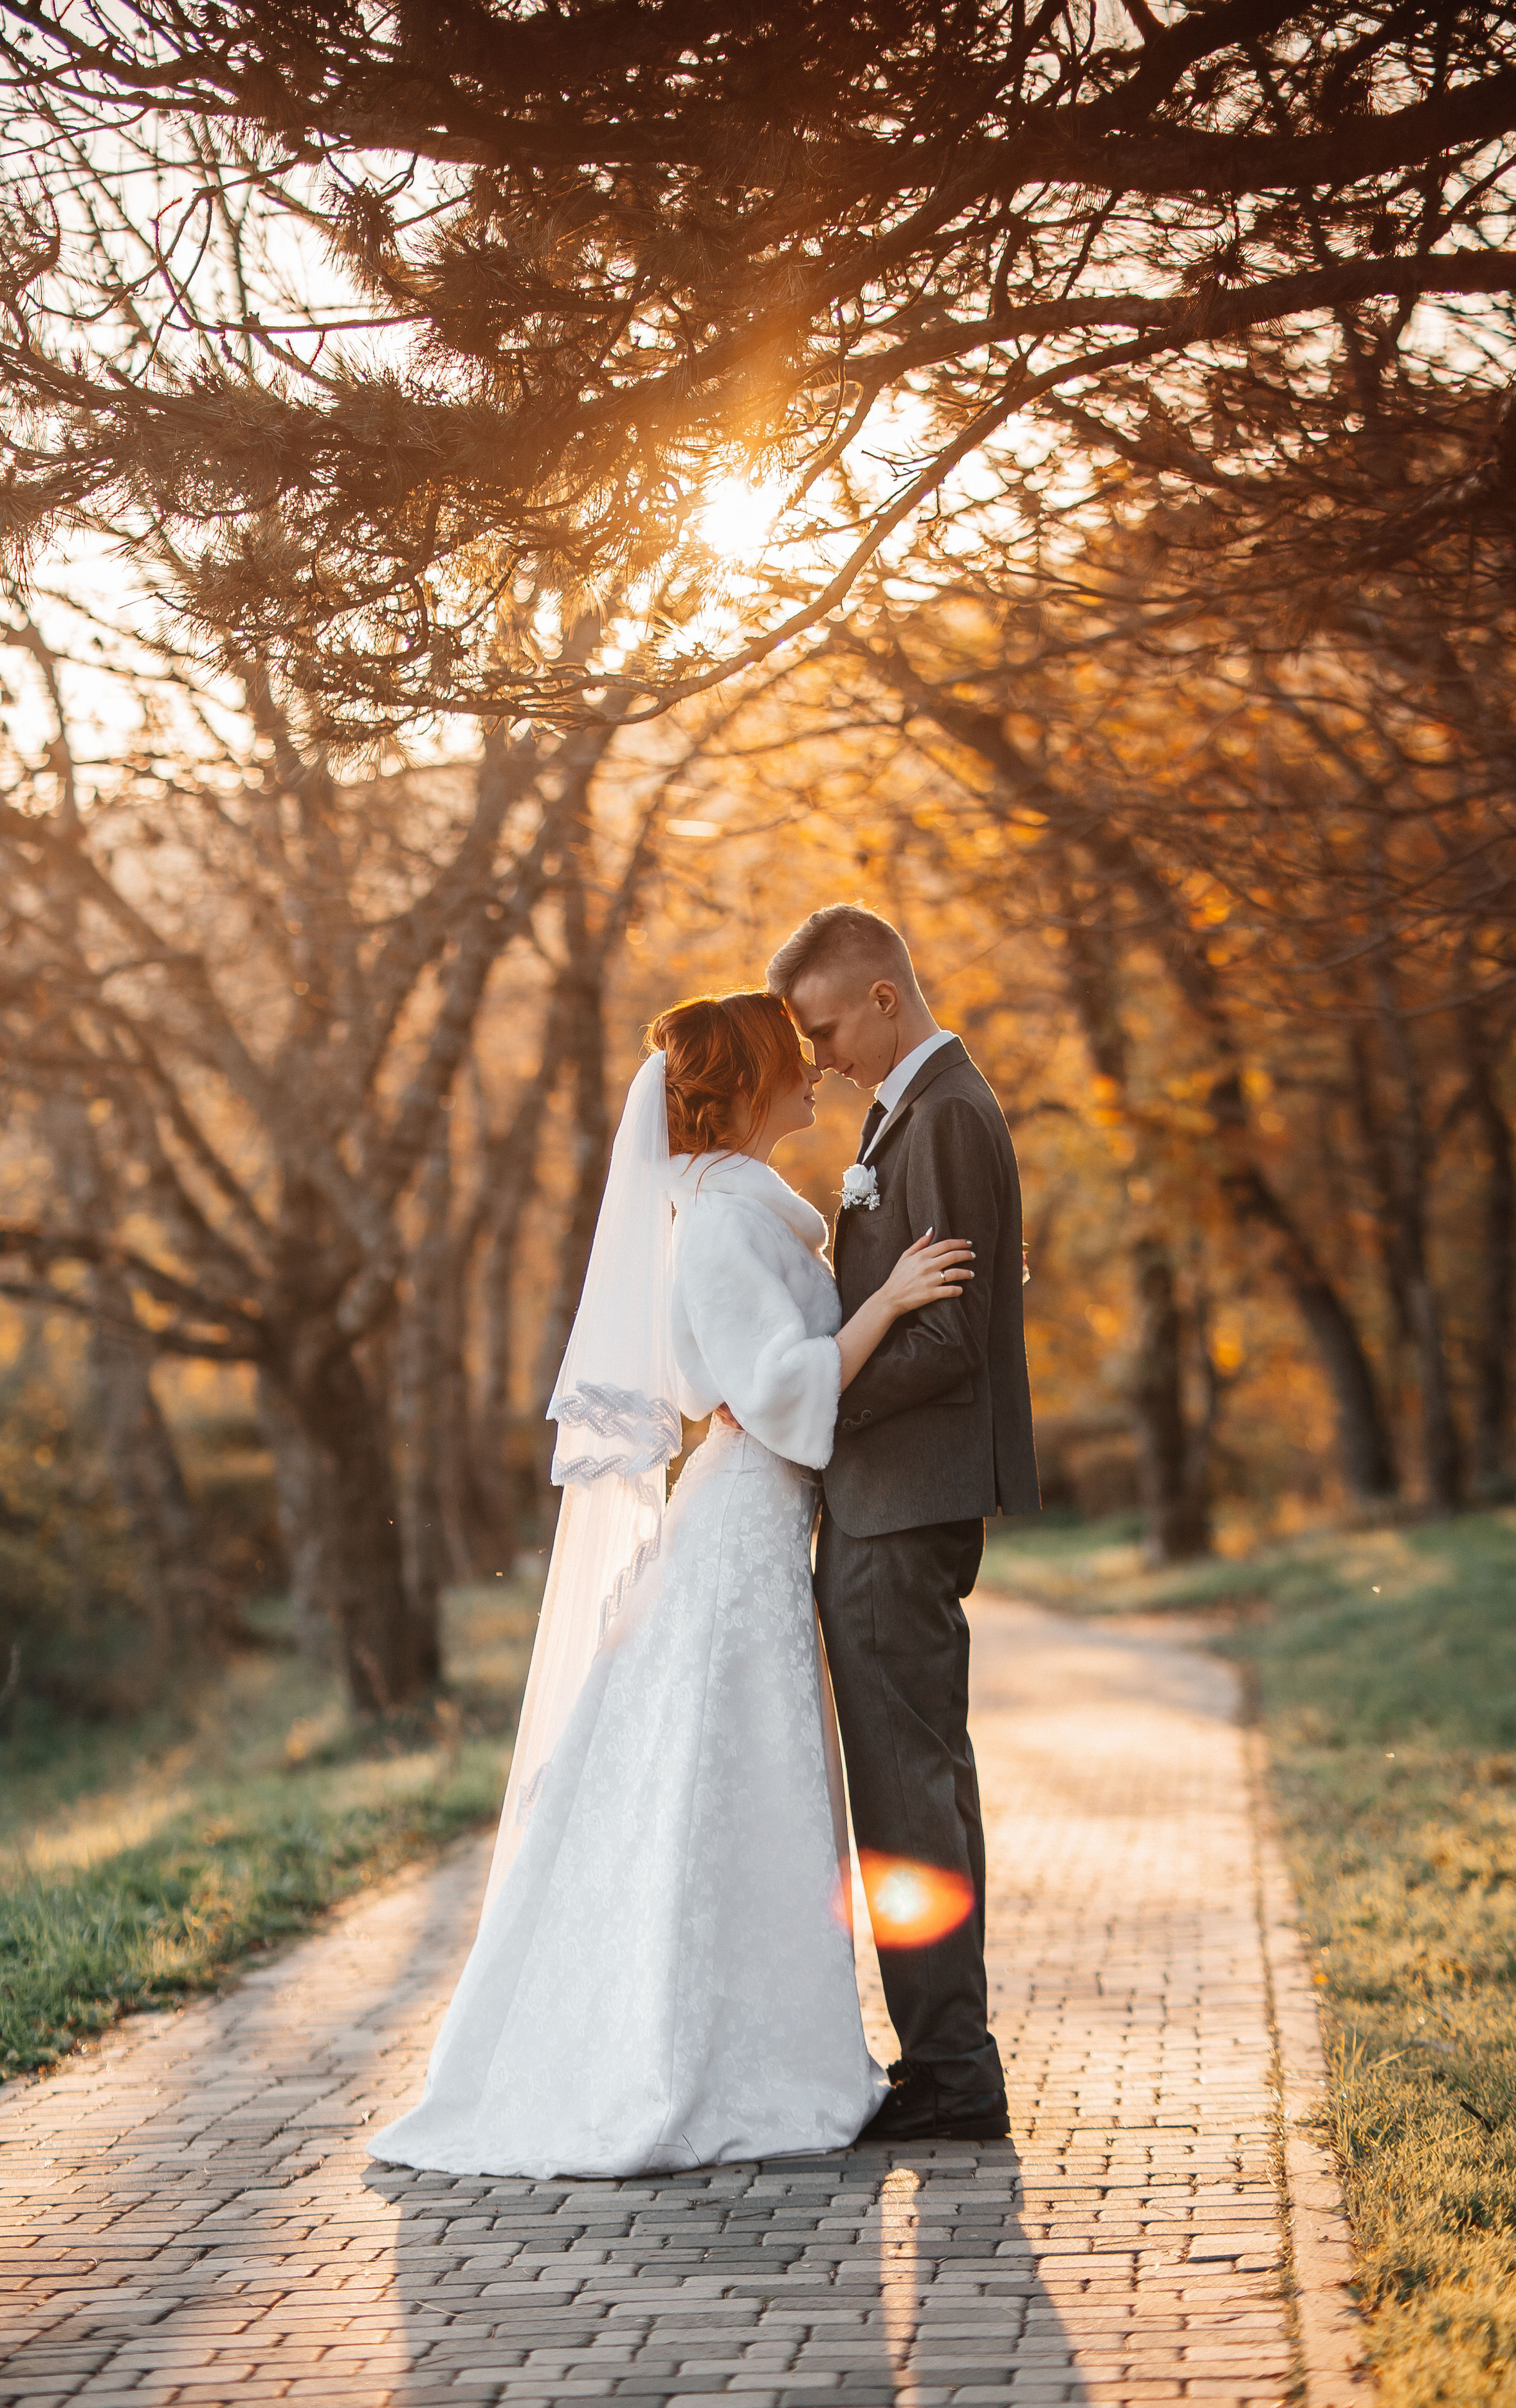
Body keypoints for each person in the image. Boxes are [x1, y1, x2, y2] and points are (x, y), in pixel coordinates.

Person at [369, 990, 974, 2179]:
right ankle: (703, 2061)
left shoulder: (736, 1211)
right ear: (747, 1084)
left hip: (754, 1516)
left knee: (740, 1783)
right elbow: (782, 1391)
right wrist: (893, 1302)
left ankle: (759, 2041)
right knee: (733, 1778)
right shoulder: (720, 1226)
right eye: (791, 1062)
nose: (813, 1073)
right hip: (745, 1523)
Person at [767, 905, 1039, 2144]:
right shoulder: (912, 1113)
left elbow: (947, 1335)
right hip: (895, 1497)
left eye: (823, 1027)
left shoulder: (943, 1118)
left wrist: (814, 1397)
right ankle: (947, 2057)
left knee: (907, 1788)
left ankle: (951, 2071)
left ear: (883, 997)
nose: (814, 1057)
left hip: (900, 1499)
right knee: (914, 1779)